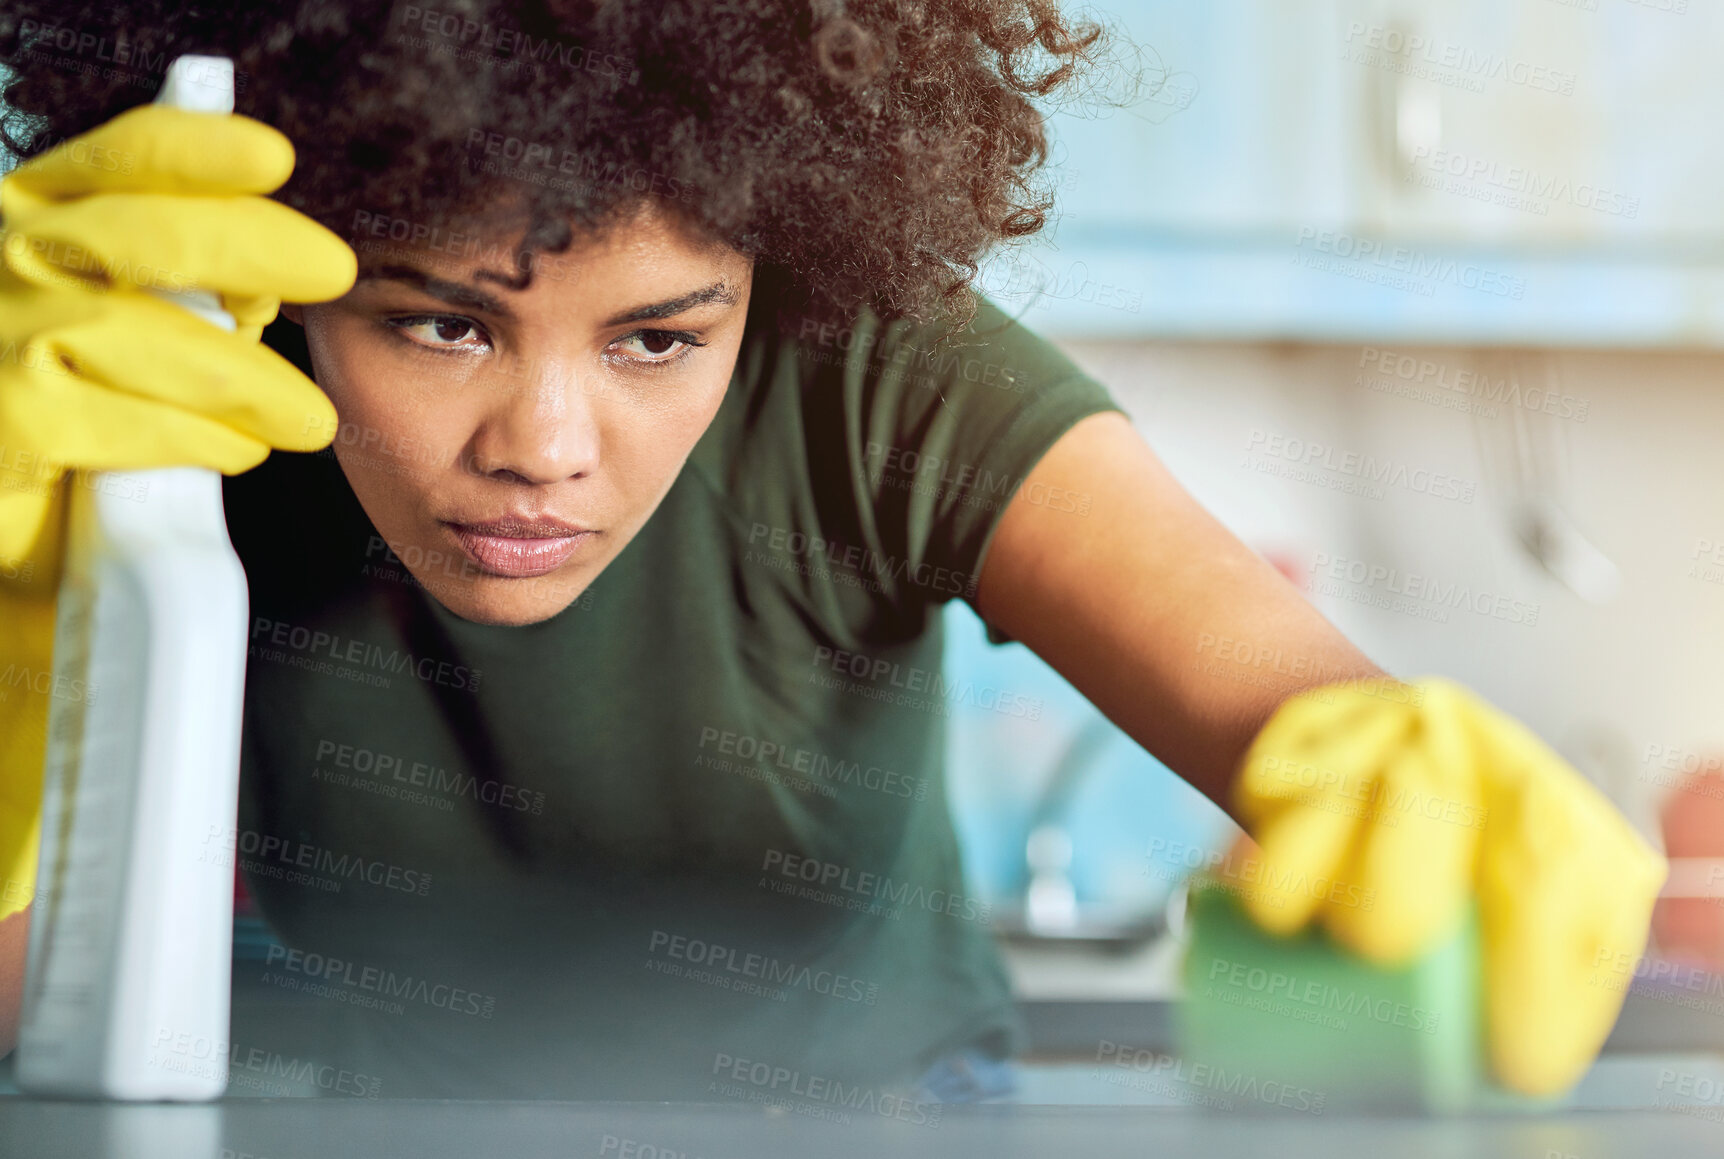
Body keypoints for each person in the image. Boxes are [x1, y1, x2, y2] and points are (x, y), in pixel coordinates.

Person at [0, 0, 1664, 1104]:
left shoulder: (881, 364)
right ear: (295, 285)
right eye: (439, 326)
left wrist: (1378, 766)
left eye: (657, 340)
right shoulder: (164, 383)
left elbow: (1294, 710)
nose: (544, 446)